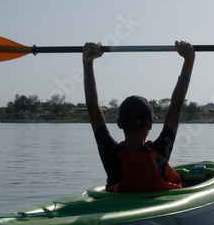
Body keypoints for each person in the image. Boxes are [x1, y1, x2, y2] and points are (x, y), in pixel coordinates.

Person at [82, 40, 195, 192]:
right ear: (150, 124)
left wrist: (87, 61)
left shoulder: (110, 154)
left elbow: (92, 106)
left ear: (119, 123)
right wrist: (189, 59)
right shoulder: (160, 152)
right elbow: (176, 104)